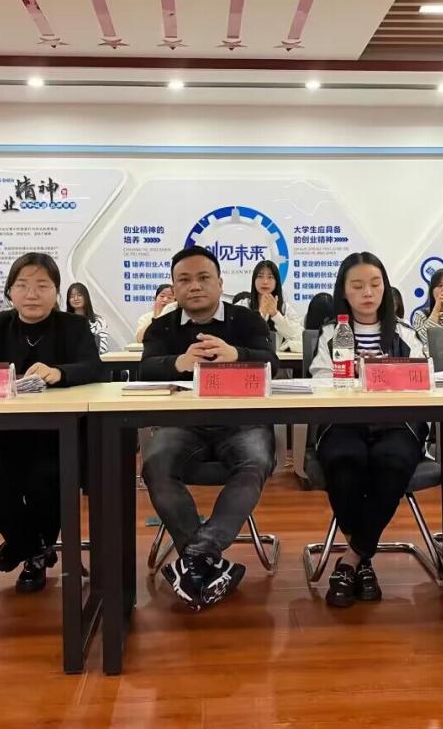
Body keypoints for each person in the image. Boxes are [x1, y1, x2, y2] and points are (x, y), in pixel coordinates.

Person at [0, 253, 104, 592]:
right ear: (9, 292)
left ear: (56, 292)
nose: (32, 294)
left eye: (42, 286)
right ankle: (30, 547)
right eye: (22, 285)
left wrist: (60, 372)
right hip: (2, 436)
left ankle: (33, 559)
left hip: (59, 437)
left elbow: (95, 369)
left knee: (46, 482)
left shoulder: (73, 326)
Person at [139, 246, 278, 611]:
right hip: (183, 424)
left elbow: (273, 363)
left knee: (254, 462)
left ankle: (196, 556)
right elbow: (145, 369)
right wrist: (179, 362)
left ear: (220, 282)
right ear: (174, 287)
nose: (195, 286)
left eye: (203, 278)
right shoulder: (162, 326)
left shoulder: (247, 320)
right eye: (184, 280)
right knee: (156, 465)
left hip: (242, 422)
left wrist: (237, 356)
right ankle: (205, 561)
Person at [309, 252, 427, 607]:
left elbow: (422, 378)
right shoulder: (330, 333)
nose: (368, 293)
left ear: (386, 289)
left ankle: (350, 560)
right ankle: (362, 561)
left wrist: (384, 372)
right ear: (344, 291)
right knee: (345, 463)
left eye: (375, 284)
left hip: (397, 424)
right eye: (357, 285)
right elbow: (319, 379)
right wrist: (354, 374)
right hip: (343, 422)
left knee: (392, 463)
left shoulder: (405, 333)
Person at [236, 259, 302, 352]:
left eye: (270, 277)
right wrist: (261, 314)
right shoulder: (243, 306)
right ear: (254, 280)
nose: (265, 281)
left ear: (276, 282)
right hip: (249, 357)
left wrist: (276, 315)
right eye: (260, 276)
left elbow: (300, 336)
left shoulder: (285, 308)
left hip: (278, 358)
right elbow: (236, 337)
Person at [66, 282, 109, 353]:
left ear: (86, 297)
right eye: (72, 296)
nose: (76, 298)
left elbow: (103, 348)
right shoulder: (64, 322)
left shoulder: (99, 321)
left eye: (79, 295)